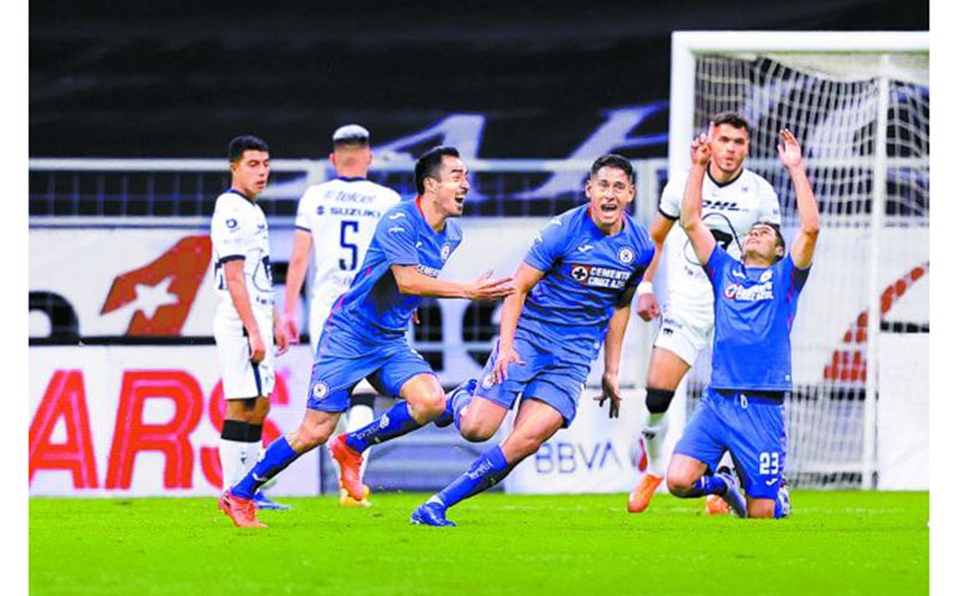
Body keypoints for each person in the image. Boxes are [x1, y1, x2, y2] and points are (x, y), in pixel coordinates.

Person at [218, 146, 515, 528]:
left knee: (428, 401)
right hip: (349, 335)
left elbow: (409, 280)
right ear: (430, 184)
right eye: (457, 175)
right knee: (314, 430)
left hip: (389, 339)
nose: (466, 184)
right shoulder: (398, 219)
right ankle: (239, 494)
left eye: (466, 176)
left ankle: (353, 444)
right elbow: (407, 279)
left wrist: (416, 301)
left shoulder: (451, 234)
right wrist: (467, 291)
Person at [406, 154, 655, 527]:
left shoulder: (640, 247)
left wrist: (612, 370)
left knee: (525, 440)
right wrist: (506, 346)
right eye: (603, 185)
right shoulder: (563, 230)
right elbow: (517, 288)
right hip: (530, 338)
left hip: (573, 358)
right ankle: (461, 398)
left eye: (619, 187)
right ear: (589, 189)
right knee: (477, 429)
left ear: (630, 193)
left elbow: (621, 307)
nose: (610, 194)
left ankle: (436, 506)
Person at [627, 111, 784, 514]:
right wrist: (645, 286)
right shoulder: (682, 183)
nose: (731, 149)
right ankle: (655, 467)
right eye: (725, 140)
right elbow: (655, 240)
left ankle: (727, 477)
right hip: (689, 301)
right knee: (657, 390)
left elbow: (773, 253)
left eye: (739, 142)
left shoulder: (761, 193)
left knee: (740, 392)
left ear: (747, 147)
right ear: (710, 141)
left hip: (738, 306)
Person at [665, 126, 818, 518]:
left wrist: (796, 169)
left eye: (765, 232)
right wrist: (698, 167)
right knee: (679, 481)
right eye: (753, 230)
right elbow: (692, 221)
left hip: (762, 406)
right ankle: (723, 483)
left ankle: (766, 494)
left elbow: (811, 228)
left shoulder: (786, 278)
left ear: (779, 250)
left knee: (763, 517)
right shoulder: (723, 270)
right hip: (718, 400)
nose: (756, 233)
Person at [282, 124, 401, 507]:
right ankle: (352, 485)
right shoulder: (387, 198)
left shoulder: (314, 197)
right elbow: (397, 259)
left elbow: (299, 258)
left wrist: (287, 311)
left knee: (334, 396)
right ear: (368, 156)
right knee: (365, 395)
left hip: (328, 310)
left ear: (333, 159)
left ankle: (347, 481)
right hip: (372, 305)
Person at [210, 135, 291, 512]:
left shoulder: (253, 210)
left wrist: (273, 318)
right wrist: (253, 328)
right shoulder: (230, 207)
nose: (262, 172)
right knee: (242, 402)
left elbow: (260, 273)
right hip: (237, 316)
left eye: (266, 163)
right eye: (253, 165)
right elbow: (235, 274)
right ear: (234, 168)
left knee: (259, 402)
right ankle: (233, 490)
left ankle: (247, 487)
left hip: (256, 313)